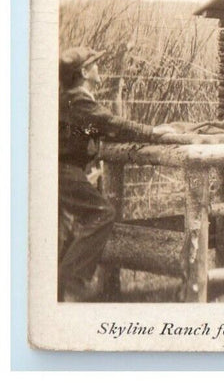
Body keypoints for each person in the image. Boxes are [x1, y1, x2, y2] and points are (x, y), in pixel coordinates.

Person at [58, 47, 174, 301]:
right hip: (64, 171)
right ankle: (73, 278)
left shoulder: (70, 99)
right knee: (102, 213)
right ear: (84, 72)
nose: (99, 68)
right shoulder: (78, 100)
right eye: (95, 64)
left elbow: (104, 127)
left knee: (66, 229)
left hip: (64, 170)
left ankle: (61, 290)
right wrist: (152, 133)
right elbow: (111, 123)